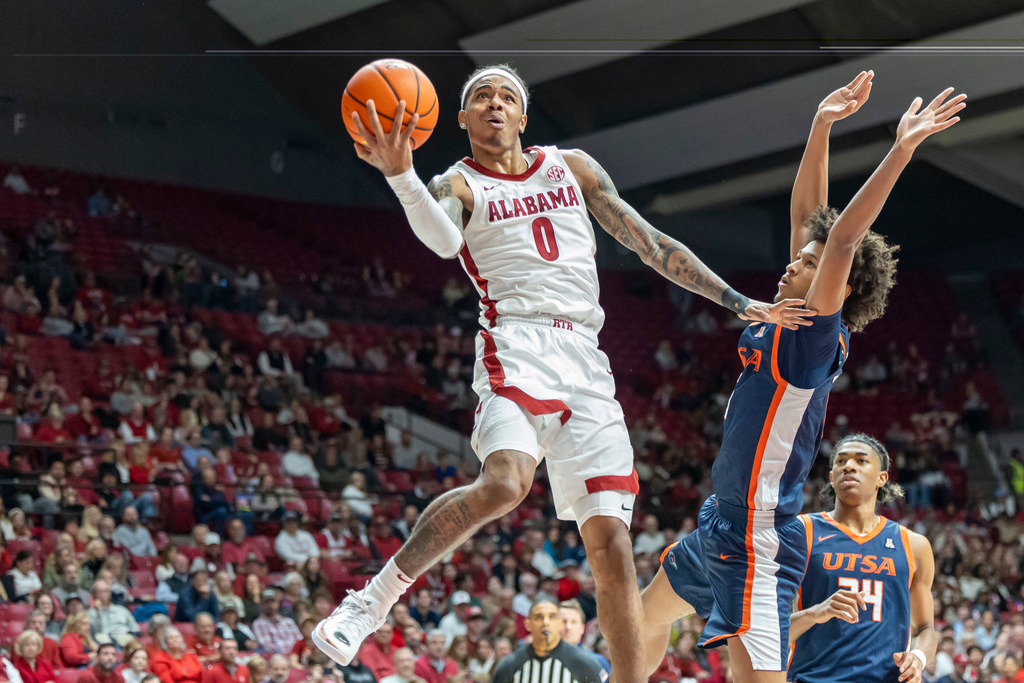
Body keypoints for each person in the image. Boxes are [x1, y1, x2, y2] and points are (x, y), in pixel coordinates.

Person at [316, 65, 811, 681]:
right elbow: (444, 241)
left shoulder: (571, 167)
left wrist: (738, 301)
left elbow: (648, 242)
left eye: (507, 97)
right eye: (479, 98)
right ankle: (372, 602)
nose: (494, 104)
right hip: (516, 339)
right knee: (504, 483)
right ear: (461, 118)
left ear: (523, 118)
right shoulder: (457, 184)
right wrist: (401, 177)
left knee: (614, 549)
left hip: (586, 357)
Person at [642, 74, 965, 682]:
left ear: (837, 287)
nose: (797, 260)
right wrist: (821, 125)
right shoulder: (785, 313)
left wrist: (900, 149)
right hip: (723, 517)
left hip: (761, 538)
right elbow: (811, 220)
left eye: (812, 265)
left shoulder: (815, 339)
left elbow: (841, 237)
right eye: (801, 258)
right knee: (643, 619)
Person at [787, 434, 937, 683]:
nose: (849, 466)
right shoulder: (799, 532)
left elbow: (926, 629)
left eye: (861, 461)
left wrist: (918, 657)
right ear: (832, 477)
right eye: (841, 461)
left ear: (882, 478)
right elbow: (769, 629)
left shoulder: (914, 545)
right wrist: (814, 613)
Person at [491, 601, 601, 683]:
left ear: (559, 624)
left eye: (552, 617)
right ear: (528, 624)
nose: (546, 622)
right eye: (539, 617)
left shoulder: (584, 663)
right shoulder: (509, 665)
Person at [559, 600, 610, 681]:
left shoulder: (598, 662)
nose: (568, 627)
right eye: (563, 622)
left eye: (573, 622)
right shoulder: (542, 660)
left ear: (582, 628)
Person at [89, 579, 142, 646]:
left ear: (110, 593)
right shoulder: (91, 613)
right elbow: (94, 632)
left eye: (105, 591)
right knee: (102, 638)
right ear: (94, 595)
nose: (103, 594)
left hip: (123, 637)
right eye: (99, 592)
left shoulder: (121, 610)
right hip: (104, 641)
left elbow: (135, 629)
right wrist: (98, 612)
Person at [253, 589, 303, 657]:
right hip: (274, 660)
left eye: (272, 602)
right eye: (266, 602)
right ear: (261, 605)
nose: (270, 605)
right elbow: (267, 647)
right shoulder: (258, 624)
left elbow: (300, 642)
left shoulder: (289, 622)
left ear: (278, 603)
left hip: (294, 658)